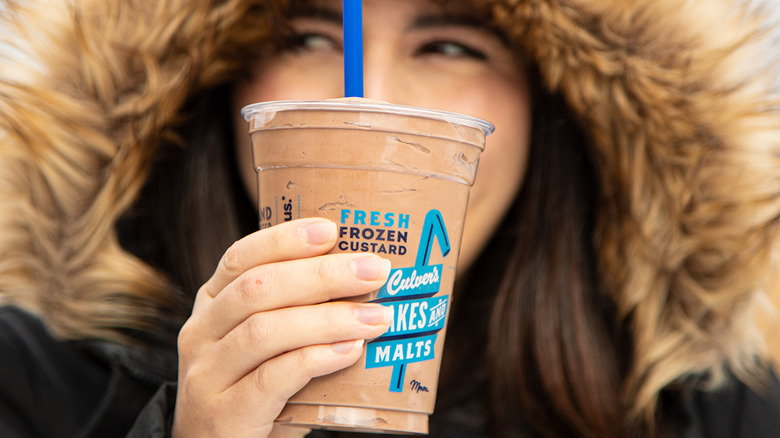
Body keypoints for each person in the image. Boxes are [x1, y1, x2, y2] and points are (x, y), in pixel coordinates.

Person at [1, 0, 779, 437]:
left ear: (556, 106)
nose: (366, 97)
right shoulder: (38, 384)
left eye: (448, 43)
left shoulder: (711, 413)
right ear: (218, 88)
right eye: (309, 36)